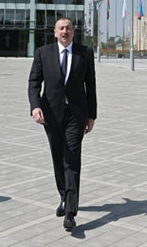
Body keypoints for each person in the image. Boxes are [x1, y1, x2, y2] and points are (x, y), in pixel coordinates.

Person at [28, 17, 97, 231]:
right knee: (58, 158)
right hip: (51, 115)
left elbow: (91, 86)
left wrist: (92, 116)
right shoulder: (43, 53)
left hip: (76, 115)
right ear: (55, 32)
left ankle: (70, 212)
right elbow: (34, 82)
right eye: (61, 28)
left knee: (72, 159)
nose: (65, 31)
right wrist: (35, 107)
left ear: (73, 32)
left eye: (68, 28)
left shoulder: (85, 53)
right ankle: (64, 197)